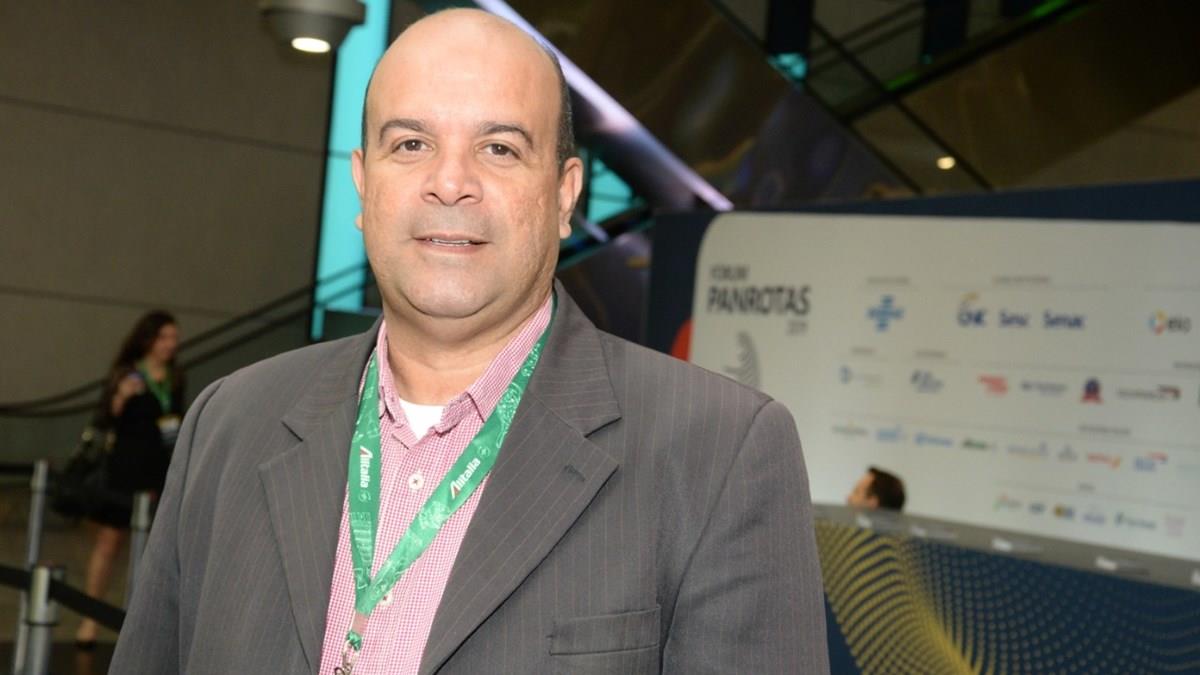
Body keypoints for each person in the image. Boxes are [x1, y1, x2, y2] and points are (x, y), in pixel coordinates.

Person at [111, 9, 827, 673]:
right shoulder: (229, 425)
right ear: (363, 183)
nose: (450, 182)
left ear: (564, 194)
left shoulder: (720, 452)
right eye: (411, 143)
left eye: (499, 148)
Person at [75, 310, 183, 648]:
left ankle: (141, 625)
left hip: (158, 469)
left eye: (174, 338)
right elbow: (106, 418)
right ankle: (89, 619)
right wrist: (121, 395)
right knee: (109, 542)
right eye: (163, 337)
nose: (170, 344)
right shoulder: (128, 373)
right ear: (148, 339)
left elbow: (175, 420)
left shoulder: (175, 377)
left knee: (155, 550)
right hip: (124, 470)